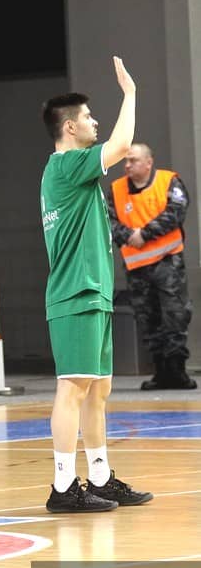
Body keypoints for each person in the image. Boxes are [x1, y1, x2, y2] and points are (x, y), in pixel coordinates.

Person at [40, 57, 153, 513]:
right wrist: (130, 92)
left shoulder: (72, 169)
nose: (95, 122)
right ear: (70, 127)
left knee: (97, 391)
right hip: (75, 294)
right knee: (73, 388)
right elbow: (122, 144)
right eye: (88, 117)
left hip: (94, 292)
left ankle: (101, 477)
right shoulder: (67, 164)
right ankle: (63, 487)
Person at [107, 143, 195, 390]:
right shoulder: (115, 190)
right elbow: (107, 220)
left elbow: (175, 212)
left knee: (175, 315)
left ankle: (177, 372)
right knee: (147, 319)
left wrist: (144, 234)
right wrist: (128, 235)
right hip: (137, 268)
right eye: (126, 161)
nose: (127, 165)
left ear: (148, 163)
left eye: (133, 160)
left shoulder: (168, 182)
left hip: (168, 263)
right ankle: (161, 372)